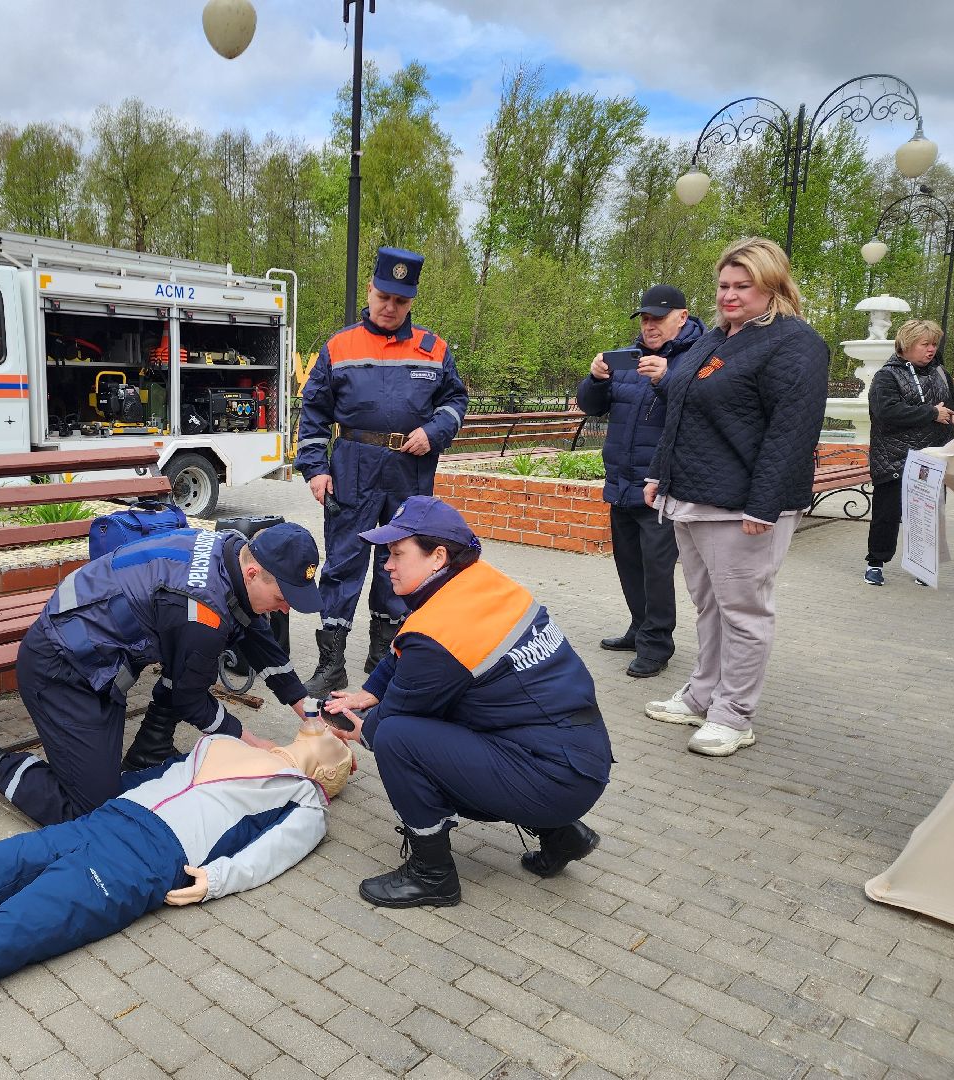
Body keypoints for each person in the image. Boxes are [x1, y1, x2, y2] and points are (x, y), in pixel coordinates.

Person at [0, 728, 353, 1038]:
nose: (327, 725)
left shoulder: (305, 799)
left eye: (338, 738)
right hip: (107, 820)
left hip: (148, 861)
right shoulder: (227, 741)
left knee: (16, 926)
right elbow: (155, 773)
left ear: (332, 769)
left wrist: (219, 878)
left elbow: (276, 852)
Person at [321, 496, 612, 908]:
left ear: (437, 556)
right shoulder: (477, 582)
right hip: (580, 756)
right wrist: (371, 691)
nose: (386, 565)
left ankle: (432, 876)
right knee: (457, 718)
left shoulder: (440, 632)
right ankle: (562, 835)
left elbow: (395, 715)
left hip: (553, 776)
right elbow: (410, 644)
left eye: (397, 554)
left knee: (397, 739)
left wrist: (361, 727)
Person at [0, 522, 322, 825]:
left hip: (98, 667)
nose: (285, 610)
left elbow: (254, 632)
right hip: (61, 672)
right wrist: (249, 740)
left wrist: (306, 708)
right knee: (89, 809)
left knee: (186, 666)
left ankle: (145, 753)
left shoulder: (230, 550)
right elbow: (191, 699)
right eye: (282, 598)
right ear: (253, 572)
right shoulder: (201, 611)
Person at [642, 237, 829, 758]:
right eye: (724, 285)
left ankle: (735, 714)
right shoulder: (717, 338)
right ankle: (704, 694)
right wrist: (660, 473)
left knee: (744, 612)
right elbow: (681, 407)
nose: (729, 295)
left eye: (743, 286)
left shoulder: (795, 343)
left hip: (745, 504)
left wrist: (763, 505)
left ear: (772, 287)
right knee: (709, 606)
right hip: (693, 497)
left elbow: (791, 431)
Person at [295, 247, 468, 696]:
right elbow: (313, 411)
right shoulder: (339, 345)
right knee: (343, 563)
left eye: (401, 301)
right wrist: (315, 469)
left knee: (402, 562)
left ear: (412, 302)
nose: (390, 308)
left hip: (409, 471)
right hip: (353, 465)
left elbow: (455, 401)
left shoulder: (434, 349)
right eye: (383, 297)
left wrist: (434, 431)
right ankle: (331, 665)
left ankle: (383, 660)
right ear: (370, 290)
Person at [576, 284, 705, 678]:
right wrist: (596, 379)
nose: (649, 326)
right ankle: (639, 626)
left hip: (661, 483)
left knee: (656, 567)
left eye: (658, 318)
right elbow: (591, 406)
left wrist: (666, 379)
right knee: (629, 562)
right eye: (645, 318)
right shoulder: (630, 358)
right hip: (622, 480)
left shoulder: (698, 358)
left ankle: (657, 644)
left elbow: (702, 411)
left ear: (682, 317)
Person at [864, 319, 954, 585]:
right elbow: (886, 412)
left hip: (933, 456)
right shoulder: (887, 376)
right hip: (894, 456)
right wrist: (933, 412)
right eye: (925, 344)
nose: (931, 349)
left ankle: (923, 565)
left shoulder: (941, 373)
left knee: (929, 514)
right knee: (887, 515)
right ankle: (876, 562)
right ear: (907, 345)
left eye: (934, 344)